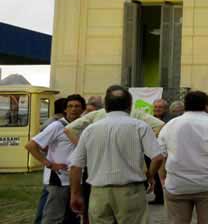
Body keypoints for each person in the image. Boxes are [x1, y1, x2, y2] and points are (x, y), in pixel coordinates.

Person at [68, 85, 165, 224]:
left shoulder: (90, 130)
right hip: (131, 191)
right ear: (130, 105)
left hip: (99, 192)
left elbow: (76, 166)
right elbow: (158, 157)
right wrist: (150, 175)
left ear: (106, 106)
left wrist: (75, 194)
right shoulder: (140, 126)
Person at [157, 91, 208, 224]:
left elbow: (160, 154)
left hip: (177, 184)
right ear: (206, 106)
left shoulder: (170, 125)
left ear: (185, 105)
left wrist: (162, 178)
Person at [25, 94, 85, 224]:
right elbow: (31, 145)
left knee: (73, 218)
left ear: (82, 109)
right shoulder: (57, 126)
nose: (73, 109)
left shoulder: (84, 126)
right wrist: (49, 164)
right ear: (65, 109)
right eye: (70, 106)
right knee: (53, 217)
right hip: (59, 180)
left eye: (77, 106)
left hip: (77, 179)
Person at [34, 97, 67, 224]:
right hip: (54, 172)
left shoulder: (52, 121)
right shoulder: (55, 124)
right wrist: (49, 162)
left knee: (47, 200)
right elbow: (39, 144)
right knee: (49, 203)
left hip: (54, 172)